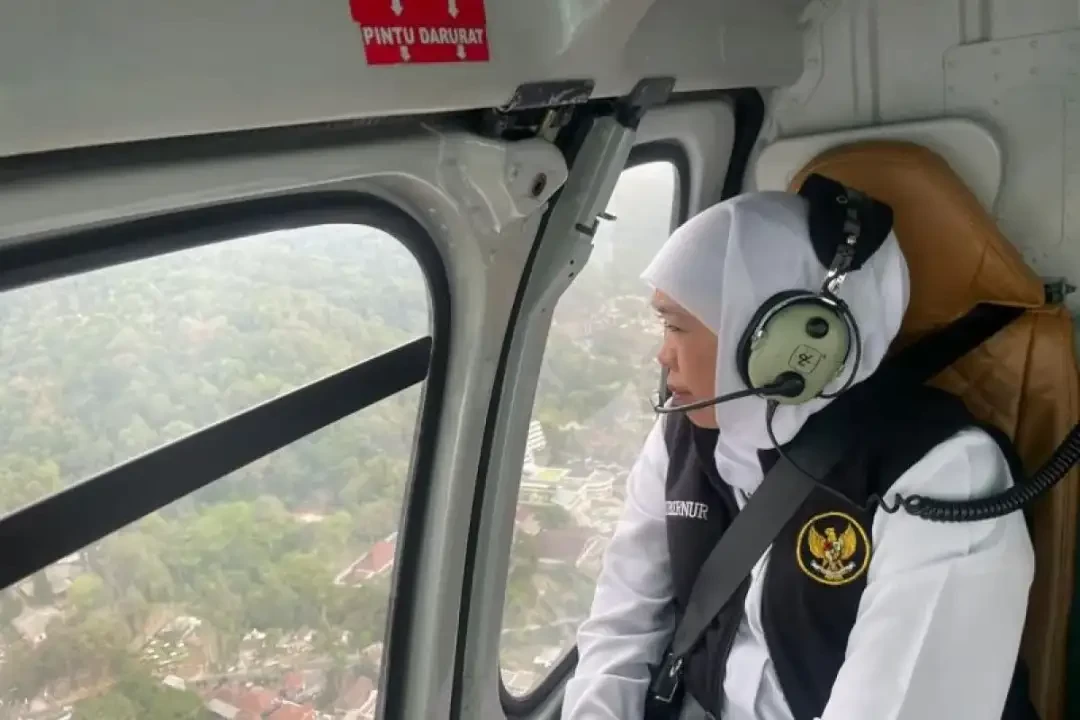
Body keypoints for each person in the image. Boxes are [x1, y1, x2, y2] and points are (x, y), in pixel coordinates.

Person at [560, 191, 1035, 720]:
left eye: (676, 325)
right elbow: (622, 627)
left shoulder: (945, 474)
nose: (662, 353)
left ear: (785, 340)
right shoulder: (682, 436)